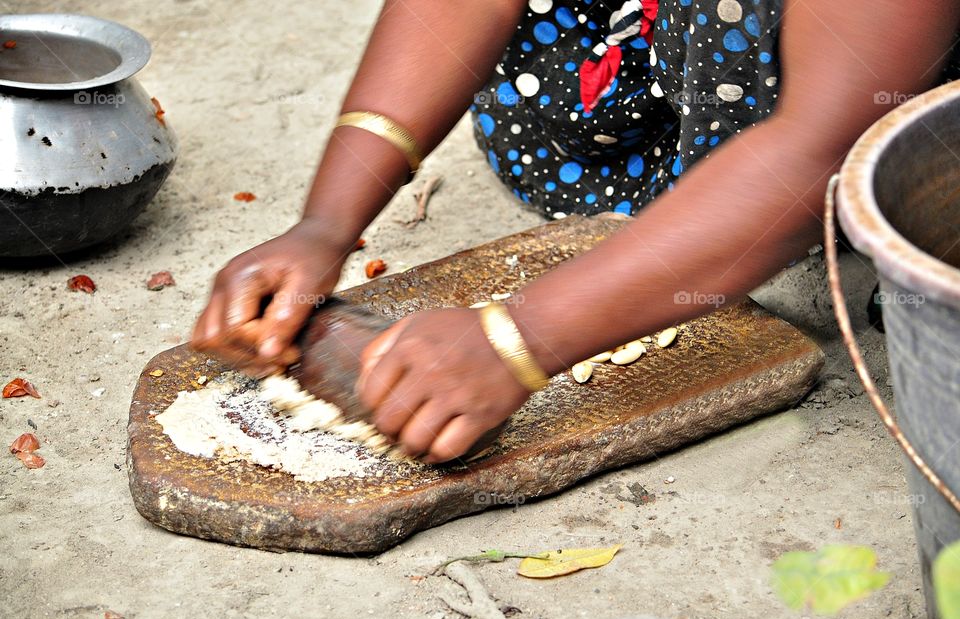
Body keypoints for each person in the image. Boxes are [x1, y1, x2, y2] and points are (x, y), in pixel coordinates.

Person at [192, 0, 960, 463]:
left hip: (863, 110)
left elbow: (820, 145)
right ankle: (695, 181)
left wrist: (519, 339)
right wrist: (326, 222)